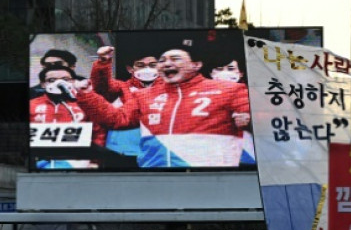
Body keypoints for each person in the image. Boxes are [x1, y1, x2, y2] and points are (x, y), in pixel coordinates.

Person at [75, 41, 251, 168]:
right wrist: (87, 95)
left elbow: (258, 118)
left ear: (196, 64)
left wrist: (249, 118)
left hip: (209, 175)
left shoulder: (230, 90)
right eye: (163, 60)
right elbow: (116, 119)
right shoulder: (145, 95)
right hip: (155, 173)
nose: (167, 63)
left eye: (175, 59)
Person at [89, 46, 162, 157]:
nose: (147, 69)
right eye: (140, 65)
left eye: (152, 65)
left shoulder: (171, 90)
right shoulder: (121, 87)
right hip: (121, 152)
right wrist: (103, 63)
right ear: (130, 69)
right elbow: (101, 87)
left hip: (158, 153)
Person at [29, 65, 104, 169]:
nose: (59, 83)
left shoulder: (85, 104)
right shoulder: (31, 105)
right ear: (43, 84)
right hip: (39, 160)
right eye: (52, 80)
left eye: (65, 79)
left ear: (73, 82)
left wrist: (95, 161)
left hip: (77, 161)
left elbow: (98, 133)